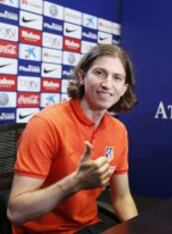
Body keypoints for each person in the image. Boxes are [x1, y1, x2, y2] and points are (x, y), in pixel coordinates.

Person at [7, 44, 139, 233]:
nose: (107, 84)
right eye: (100, 73)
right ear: (82, 76)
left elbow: (122, 197)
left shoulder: (119, 131)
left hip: (88, 226)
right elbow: (16, 212)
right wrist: (75, 182)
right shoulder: (46, 123)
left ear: (124, 88)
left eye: (117, 77)